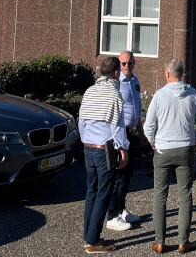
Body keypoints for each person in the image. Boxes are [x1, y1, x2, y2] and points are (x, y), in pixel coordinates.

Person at [143, 58, 196, 254]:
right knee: (184, 196)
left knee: (160, 196)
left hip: (163, 149)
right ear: (182, 74)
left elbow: (148, 126)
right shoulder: (194, 94)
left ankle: (160, 241)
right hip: (186, 148)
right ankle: (183, 241)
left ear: (167, 73)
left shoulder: (159, 96)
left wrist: (153, 142)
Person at [78, 57, 130, 254]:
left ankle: (89, 236)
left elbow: (81, 121)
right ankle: (93, 242)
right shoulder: (115, 95)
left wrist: (85, 141)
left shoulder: (90, 91)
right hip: (104, 149)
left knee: (91, 191)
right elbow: (117, 128)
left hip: (88, 146)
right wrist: (123, 150)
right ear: (116, 73)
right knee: (104, 193)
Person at [105, 50, 142, 231]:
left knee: (127, 175)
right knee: (118, 175)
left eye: (130, 63)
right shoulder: (115, 84)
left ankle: (122, 209)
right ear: (119, 65)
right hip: (118, 134)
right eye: (124, 64)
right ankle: (112, 215)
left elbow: (137, 109)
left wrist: (142, 133)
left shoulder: (135, 81)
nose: (127, 67)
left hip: (130, 134)